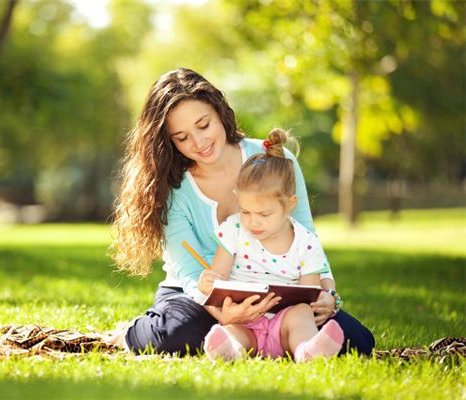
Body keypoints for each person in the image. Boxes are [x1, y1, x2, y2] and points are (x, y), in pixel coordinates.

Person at [109, 67, 374, 356]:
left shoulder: (274, 160)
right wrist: (225, 315)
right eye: (182, 137)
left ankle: (278, 341)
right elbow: (190, 273)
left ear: (219, 111)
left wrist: (327, 293)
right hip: (201, 296)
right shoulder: (172, 187)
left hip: (279, 291)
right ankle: (133, 332)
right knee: (177, 335)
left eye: (203, 125)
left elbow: (306, 236)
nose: (198, 143)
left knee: (356, 341)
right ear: (169, 141)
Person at [202, 128, 344, 362]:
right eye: (245, 211)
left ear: (289, 204)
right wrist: (208, 282)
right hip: (244, 318)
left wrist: (325, 298)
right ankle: (231, 352)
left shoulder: (306, 243)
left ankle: (306, 352)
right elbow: (216, 280)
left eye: (264, 214)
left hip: (284, 324)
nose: (253, 221)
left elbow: (308, 297)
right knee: (233, 332)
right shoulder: (234, 229)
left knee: (301, 314)